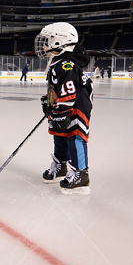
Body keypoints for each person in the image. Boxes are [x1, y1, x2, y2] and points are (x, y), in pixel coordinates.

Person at [35, 22, 93, 195]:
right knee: (59, 135)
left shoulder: (66, 64)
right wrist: (50, 102)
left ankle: (81, 175)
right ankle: (61, 166)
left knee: (75, 137)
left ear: (59, 41)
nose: (44, 45)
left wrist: (61, 110)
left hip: (75, 108)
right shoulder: (58, 62)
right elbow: (57, 87)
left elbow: (70, 91)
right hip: (62, 107)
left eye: (47, 41)